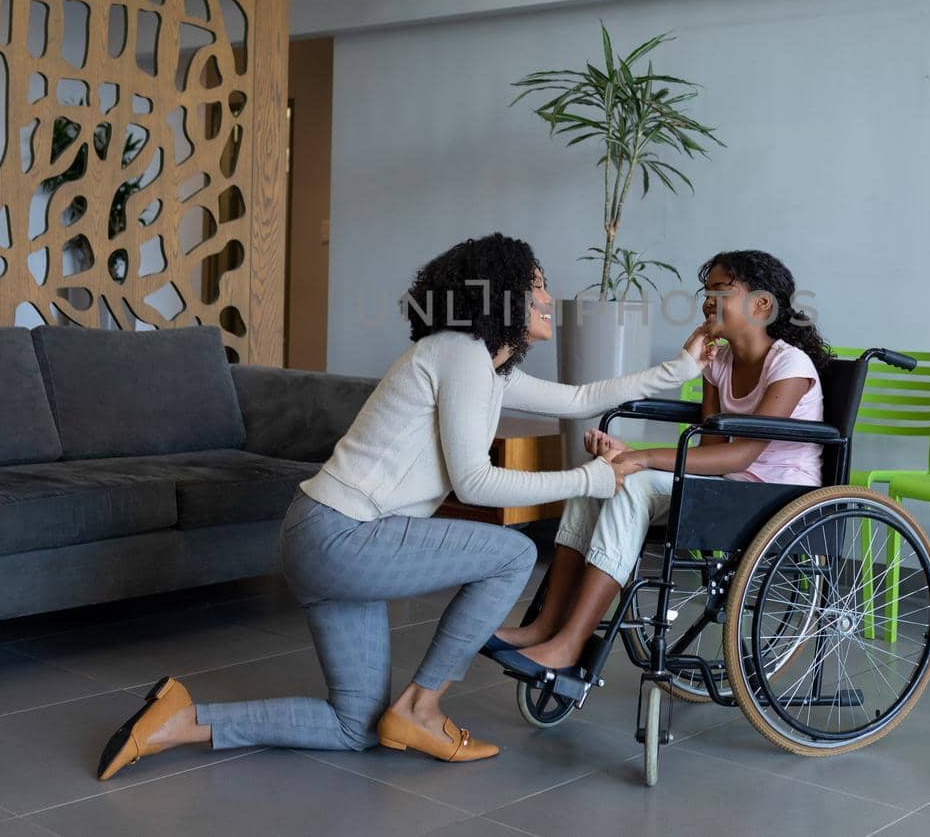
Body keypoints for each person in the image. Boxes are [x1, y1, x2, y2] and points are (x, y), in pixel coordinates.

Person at [95, 233, 715, 776]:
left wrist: (680, 366)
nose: (549, 299)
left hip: (321, 536)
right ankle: (423, 705)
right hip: (343, 538)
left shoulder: (481, 365)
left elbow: (582, 394)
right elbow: (476, 484)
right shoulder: (460, 354)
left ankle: (178, 722)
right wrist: (588, 481)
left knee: (355, 726)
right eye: (538, 286)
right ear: (501, 296)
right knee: (510, 555)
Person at [491, 249, 830, 671]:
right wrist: (625, 457)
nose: (708, 300)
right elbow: (708, 449)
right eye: (706, 291)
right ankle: (546, 626)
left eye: (722, 291)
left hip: (774, 496)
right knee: (600, 479)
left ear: (762, 304)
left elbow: (745, 452)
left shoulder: (789, 364)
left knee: (630, 482)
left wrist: (640, 458)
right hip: (724, 486)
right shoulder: (718, 362)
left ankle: (570, 644)